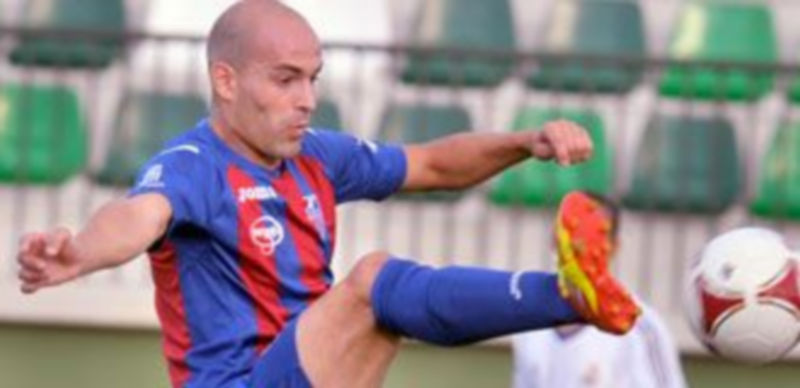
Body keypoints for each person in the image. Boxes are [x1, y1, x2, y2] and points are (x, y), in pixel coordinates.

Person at [15, 1, 640, 387]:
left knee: (378, 296)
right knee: (372, 282)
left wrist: (523, 140)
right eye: (285, 80)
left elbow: (431, 165)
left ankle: (570, 299)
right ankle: (563, 297)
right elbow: (136, 217)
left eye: (311, 79)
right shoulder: (191, 168)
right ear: (225, 80)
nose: (307, 99)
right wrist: (77, 255)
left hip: (310, 372)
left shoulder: (317, 156)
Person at [512, 194, 686, 388]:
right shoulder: (530, 325)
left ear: (614, 247)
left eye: (593, 237)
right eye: (569, 234)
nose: (577, 247)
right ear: (554, 240)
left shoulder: (639, 326)